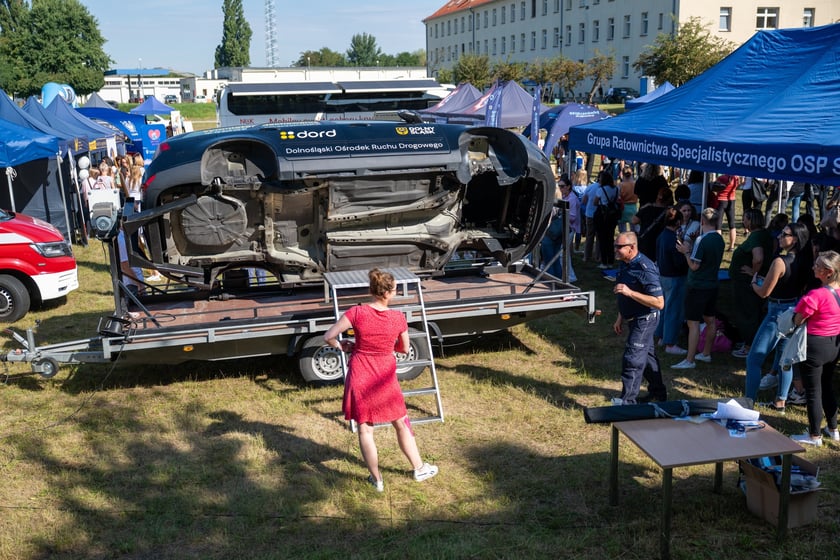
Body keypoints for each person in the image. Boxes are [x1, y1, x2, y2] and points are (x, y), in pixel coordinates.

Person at [323, 269, 438, 492]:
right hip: (385, 377)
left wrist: (343, 346)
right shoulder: (397, 318)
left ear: (372, 290)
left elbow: (328, 336)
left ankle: (377, 480)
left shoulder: (356, 312)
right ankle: (419, 468)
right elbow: (404, 348)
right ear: (389, 293)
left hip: (360, 374)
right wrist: (386, 346)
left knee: (365, 430)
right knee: (401, 422)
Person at [745, 222, 811, 407]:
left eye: (784, 234)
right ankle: (780, 401)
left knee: (753, 359)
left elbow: (764, 292)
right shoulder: (805, 260)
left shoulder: (780, 262)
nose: (779, 237)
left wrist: (754, 283)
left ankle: (748, 402)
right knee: (785, 359)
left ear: (795, 239)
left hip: (777, 312)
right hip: (794, 310)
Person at [788, 251, 840, 446]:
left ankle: (814, 436)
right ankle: (833, 429)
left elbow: (798, 319)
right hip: (834, 346)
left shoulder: (816, 295)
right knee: (826, 386)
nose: (813, 267)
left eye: (817, 265)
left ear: (828, 272)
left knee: (813, 391)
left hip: (814, 345)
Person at [611, 231, 666, 404]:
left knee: (632, 359)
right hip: (632, 317)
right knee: (648, 358)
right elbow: (624, 294)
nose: (616, 249)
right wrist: (620, 317)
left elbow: (659, 303)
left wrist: (630, 292)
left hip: (645, 319)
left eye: (619, 247)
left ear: (632, 247)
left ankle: (627, 402)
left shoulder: (645, 269)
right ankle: (658, 393)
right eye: (615, 246)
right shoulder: (625, 263)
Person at [671, 208, 725, 369]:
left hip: (697, 286)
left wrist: (685, 252)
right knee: (710, 320)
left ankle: (690, 360)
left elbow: (694, 266)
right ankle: (706, 353)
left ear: (702, 221)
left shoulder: (702, 240)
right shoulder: (720, 239)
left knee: (693, 323)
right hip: (712, 284)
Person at [728, 208, 774, 358]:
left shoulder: (756, 237)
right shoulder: (764, 234)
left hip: (747, 282)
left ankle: (749, 346)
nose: (743, 221)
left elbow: (758, 258)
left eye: (745, 218)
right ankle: (752, 342)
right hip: (757, 279)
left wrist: (753, 272)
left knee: (747, 313)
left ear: (750, 220)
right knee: (754, 312)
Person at [655, 207, 689, 355]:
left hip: (663, 276)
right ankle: (670, 343)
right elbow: (679, 263)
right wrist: (686, 253)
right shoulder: (674, 241)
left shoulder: (661, 236)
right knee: (674, 311)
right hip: (675, 278)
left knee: (664, 309)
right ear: (678, 222)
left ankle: (661, 336)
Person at [632, 187, 673, 261]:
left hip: (646, 241)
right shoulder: (669, 212)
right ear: (669, 199)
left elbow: (634, 221)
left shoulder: (647, 208)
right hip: (660, 241)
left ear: (657, 197)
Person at [593, 170, 620, 269]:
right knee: (610, 237)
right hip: (612, 215)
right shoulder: (616, 189)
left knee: (602, 239)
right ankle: (611, 260)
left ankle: (604, 261)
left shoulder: (601, 190)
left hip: (602, 214)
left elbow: (595, 202)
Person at [617, 167, 638, 233]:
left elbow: (617, 197)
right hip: (633, 208)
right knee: (634, 230)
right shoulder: (635, 184)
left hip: (623, 208)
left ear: (622, 174)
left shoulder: (620, 185)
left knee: (622, 230)